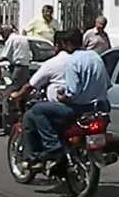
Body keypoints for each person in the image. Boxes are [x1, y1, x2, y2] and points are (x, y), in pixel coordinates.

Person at [20, 28, 111, 169]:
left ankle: (53, 147)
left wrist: (62, 97)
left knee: (37, 109)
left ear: (66, 44)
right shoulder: (95, 57)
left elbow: (72, 94)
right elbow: (107, 83)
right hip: (100, 107)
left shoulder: (72, 62)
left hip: (78, 109)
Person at [12, 31, 73, 164]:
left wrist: (17, 95)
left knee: (30, 115)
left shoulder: (52, 63)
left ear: (57, 46)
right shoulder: (79, 60)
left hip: (61, 108)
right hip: (83, 106)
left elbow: (30, 85)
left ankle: (35, 157)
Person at [0, 25, 32, 137]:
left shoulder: (11, 40)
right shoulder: (23, 39)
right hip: (26, 69)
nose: (2, 36)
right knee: (23, 97)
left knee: (7, 97)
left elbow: (4, 56)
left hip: (18, 69)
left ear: (6, 32)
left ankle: (7, 127)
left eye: (2, 33)